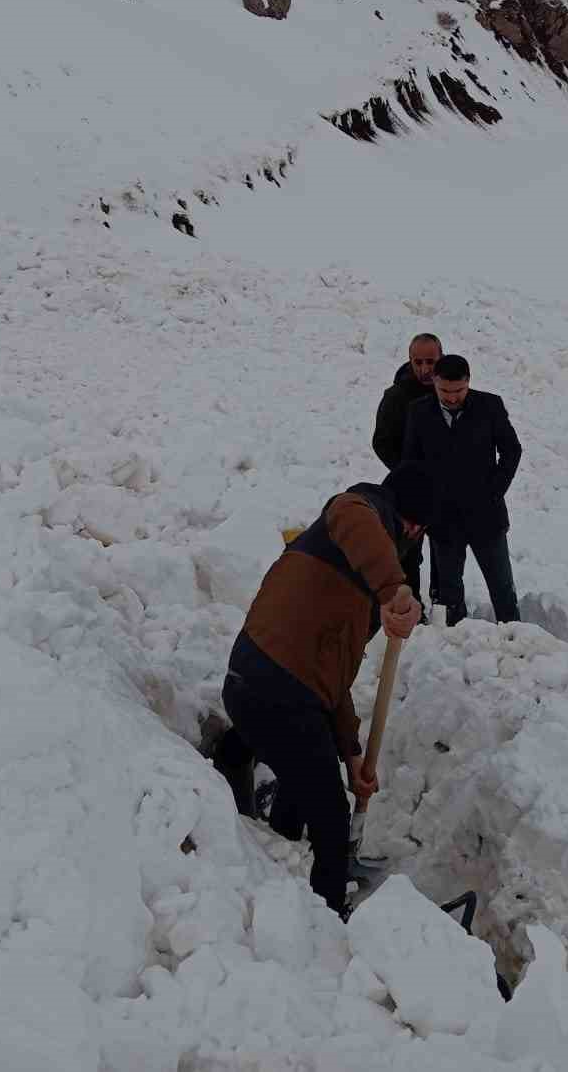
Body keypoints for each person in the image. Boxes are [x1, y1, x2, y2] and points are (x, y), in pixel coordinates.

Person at [211, 465, 432, 916]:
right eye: (406, 522)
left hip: (258, 689)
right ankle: (328, 918)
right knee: (330, 817)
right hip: (275, 694)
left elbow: (334, 683)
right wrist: (394, 591)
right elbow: (357, 515)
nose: (409, 531)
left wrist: (352, 754)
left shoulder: (350, 595)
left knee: (314, 758)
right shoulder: (352, 513)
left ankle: (276, 832)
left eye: (417, 526)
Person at [403, 354, 522, 626]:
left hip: (486, 517)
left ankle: (516, 642)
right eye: (445, 390)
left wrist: (494, 491)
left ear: (468, 382)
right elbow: (411, 464)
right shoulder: (419, 412)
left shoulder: (490, 406)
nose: (452, 397)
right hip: (443, 521)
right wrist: (418, 508)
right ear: (434, 382)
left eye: (459, 391)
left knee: (502, 588)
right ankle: (455, 644)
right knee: (448, 593)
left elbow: (511, 450)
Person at [372, 334, 442, 617]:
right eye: (418, 362)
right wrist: (408, 474)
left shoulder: (449, 387)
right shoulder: (396, 396)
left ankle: (445, 604)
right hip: (410, 492)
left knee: (446, 549)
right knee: (409, 553)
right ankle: (411, 611)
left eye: (431, 361)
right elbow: (381, 442)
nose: (425, 368)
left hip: (446, 488)